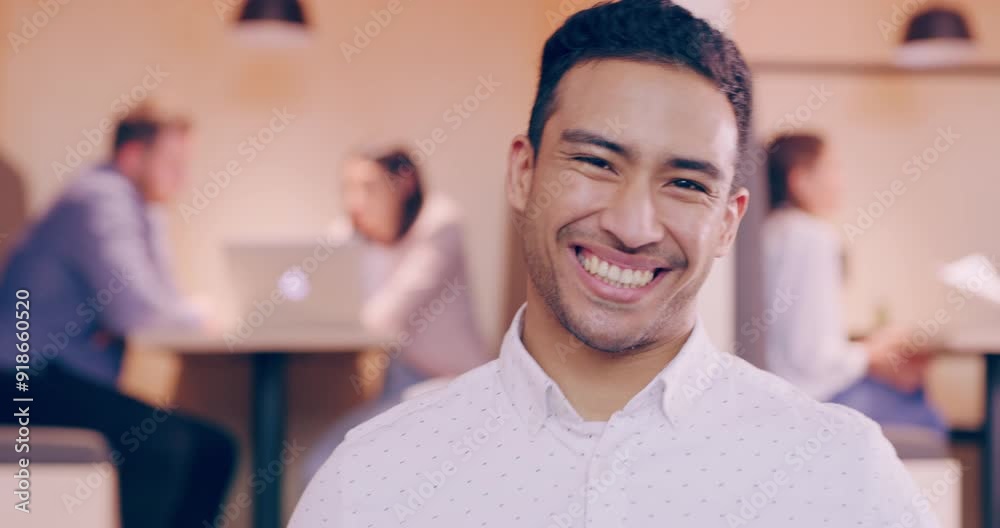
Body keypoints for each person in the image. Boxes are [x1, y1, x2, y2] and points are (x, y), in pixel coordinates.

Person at [290, 1, 938, 526]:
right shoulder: (372, 480)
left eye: (685, 183)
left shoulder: (843, 476)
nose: (632, 226)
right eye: (597, 162)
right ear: (523, 173)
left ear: (727, 223)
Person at [0, 106, 237, 527]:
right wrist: (194, 317)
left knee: (215, 447)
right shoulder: (100, 197)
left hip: (57, 377)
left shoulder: (136, 207)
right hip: (23, 379)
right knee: (166, 449)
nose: (181, 178)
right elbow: (138, 311)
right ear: (131, 156)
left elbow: (153, 302)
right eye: (172, 164)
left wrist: (156, 215)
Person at [302, 146, 490, 480]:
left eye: (369, 188)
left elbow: (385, 321)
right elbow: (309, 287)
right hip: (398, 386)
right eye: (348, 188)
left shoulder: (440, 225)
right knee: (321, 466)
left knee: (331, 467)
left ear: (404, 184)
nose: (355, 202)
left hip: (451, 388)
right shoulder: (356, 231)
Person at [762, 132, 946, 432]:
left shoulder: (770, 233)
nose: (840, 180)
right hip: (813, 398)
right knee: (926, 416)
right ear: (800, 180)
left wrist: (868, 350)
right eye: (831, 168)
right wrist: (873, 352)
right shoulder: (812, 237)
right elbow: (812, 359)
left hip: (779, 393)